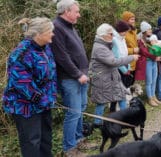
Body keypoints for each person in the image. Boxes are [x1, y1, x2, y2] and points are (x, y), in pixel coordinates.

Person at [2, 17, 56, 157]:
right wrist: (41, 98)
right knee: (31, 142)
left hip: (44, 104)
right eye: (50, 31)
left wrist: (51, 96)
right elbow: (22, 83)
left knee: (46, 140)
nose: (53, 34)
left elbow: (51, 74)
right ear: (38, 34)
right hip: (25, 107)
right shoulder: (21, 53)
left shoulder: (46, 48)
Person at [50, 0, 90, 156]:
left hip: (81, 76)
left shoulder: (71, 27)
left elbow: (77, 51)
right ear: (66, 11)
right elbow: (62, 56)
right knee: (73, 112)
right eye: (76, 11)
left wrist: (84, 72)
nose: (79, 14)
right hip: (70, 78)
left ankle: (79, 139)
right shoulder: (57, 27)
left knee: (81, 109)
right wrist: (77, 74)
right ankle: (69, 148)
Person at [89, 23, 139, 126]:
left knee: (121, 97)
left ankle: (125, 119)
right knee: (101, 102)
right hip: (102, 80)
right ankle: (97, 124)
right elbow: (113, 62)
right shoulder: (100, 48)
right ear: (103, 35)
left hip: (111, 78)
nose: (113, 36)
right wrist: (131, 58)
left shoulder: (106, 45)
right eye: (111, 34)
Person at [109, 20, 137, 112]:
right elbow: (116, 57)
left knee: (123, 90)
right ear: (120, 30)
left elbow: (125, 54)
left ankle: (122, 110)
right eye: (125, 31)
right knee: (118, 91)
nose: (126, 33)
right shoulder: (114, 40)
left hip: (125, 65)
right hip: (118, 68)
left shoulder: (123, 39)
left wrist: (128, 67)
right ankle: (114, 110)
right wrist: (124, 70)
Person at [138, 21, 161, 107]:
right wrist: (155, 57)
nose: (151, 30)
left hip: (153, 61)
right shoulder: (140, 40)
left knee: (154, 80)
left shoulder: (150, 39)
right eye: (149, 29)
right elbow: (144, 52)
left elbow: (155, 50)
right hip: (147, 62)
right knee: (149, 81)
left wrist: (158, 54)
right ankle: (150, 98)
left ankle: (153, 96)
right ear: (144, 30)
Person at [122, 11, 140, 81]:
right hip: (126, 64)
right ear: (126, 21)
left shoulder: (134, 31)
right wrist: (133, 50)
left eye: (134, 19)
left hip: (134, 62)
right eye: (131, 19)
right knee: (126, 85)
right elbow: (120, 49)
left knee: (131, 84)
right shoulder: (123, 33)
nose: (133, 21)